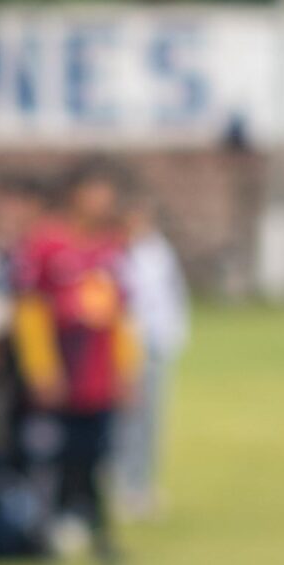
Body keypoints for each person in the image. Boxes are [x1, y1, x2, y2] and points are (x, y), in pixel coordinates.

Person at [14, 159, 136, 564]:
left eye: (108, 192)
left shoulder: (110, 249)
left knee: (98, 455)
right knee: (54, 455)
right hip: (63, 375)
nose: (103, 200)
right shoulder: (48, 244)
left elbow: (122, 315)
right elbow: (31, 311)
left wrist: (126, 370)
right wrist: (42, 370)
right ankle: (48, 531)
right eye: (94, 190)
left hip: (98, 377)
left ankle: (98, 532)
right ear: (75, 195)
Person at [115, 199, 190, 520]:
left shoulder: (159, 252)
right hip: (125, 347)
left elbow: (173, 296)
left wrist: (174, 336)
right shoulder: (115, 253)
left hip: (156, 345)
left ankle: (142, 485)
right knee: (126, 422)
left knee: (151, 422)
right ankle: (123, 485)